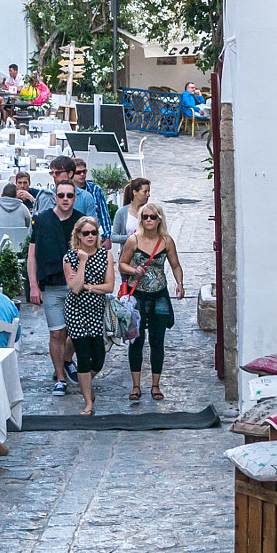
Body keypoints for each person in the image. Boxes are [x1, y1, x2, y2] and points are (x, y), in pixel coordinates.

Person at [118, 202, 184, 403]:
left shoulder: (166, 241)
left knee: (158, 341)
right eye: (145, 217)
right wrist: (133, 270)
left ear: (159, 220)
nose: (148, 220)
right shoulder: (133, 240)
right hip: (138, 294)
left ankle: (155, 384)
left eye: (152, 217)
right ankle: (136, 385)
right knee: (136, 340)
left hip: (159, 294)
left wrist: (180, 283)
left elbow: (175, 264)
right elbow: (121, 263)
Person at [28, 176, 79, 393]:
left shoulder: (81, 221)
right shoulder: (41, 220)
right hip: (52, 284)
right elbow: (32, 255)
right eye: (61, 195)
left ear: (75, 198)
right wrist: (33, 286)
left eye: (69, 195)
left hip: (78, 286)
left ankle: (67, 360)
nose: (65, 199)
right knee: (57, 333)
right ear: (55, 197)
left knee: (77, 332)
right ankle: (60, 377)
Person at [62, 214, 115, 416]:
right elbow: (74, 288)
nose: (91, 236)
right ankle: (88, 401)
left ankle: (85, 386)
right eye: (86, 233)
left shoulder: (105, 255)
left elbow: (109, 286)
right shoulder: (70, 257)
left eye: (94, 232)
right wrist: (83, 262)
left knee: (98, 358)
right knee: (83, 356)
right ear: (78, 235)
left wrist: (89, 286)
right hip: (76, 310)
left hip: (95, 310)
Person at [71, 158, 112, 239]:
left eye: (84, 171)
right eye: (78, 172)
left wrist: (107, 236)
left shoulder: (96, 189)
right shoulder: (67, 191)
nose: (82, 174)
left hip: (91, 234)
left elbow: (104, 214)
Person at [111, 176, 151, 246]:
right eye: (145, 192)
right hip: (128, 253)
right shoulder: (122, 212)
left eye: (148, 191)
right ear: (135, 192)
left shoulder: (151, 212)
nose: (148, 195)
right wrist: (130, 237)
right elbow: (113, 237)